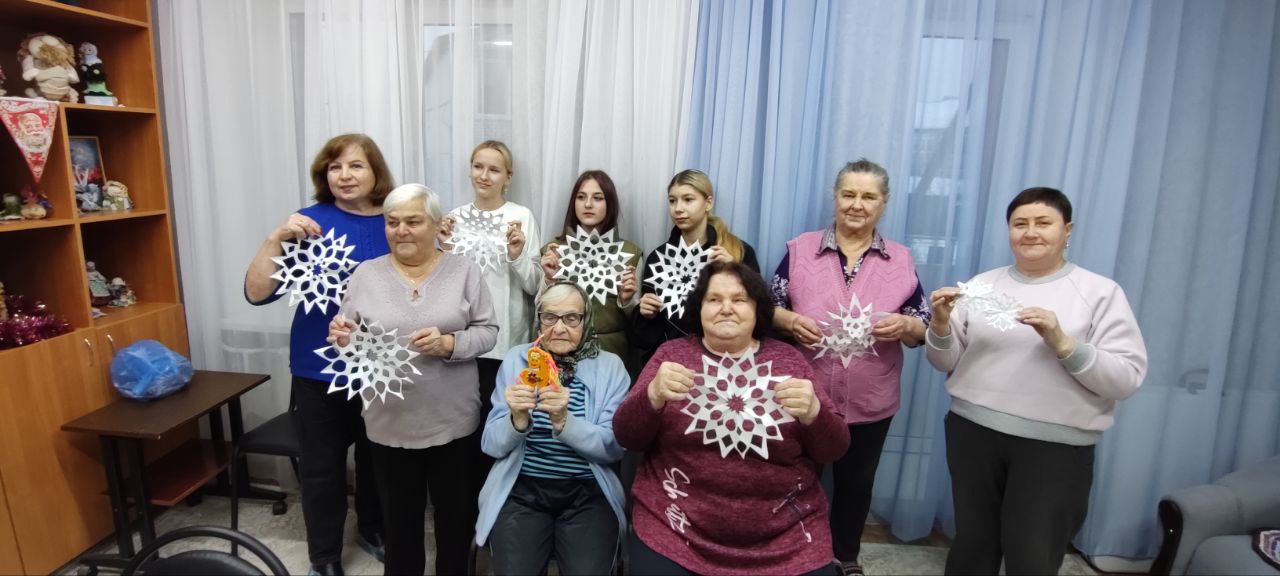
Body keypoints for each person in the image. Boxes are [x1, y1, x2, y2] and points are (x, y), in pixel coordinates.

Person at [925, 187, 1147, 575]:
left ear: (1067, 230)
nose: (1030, 232)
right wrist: (940, 324)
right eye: (1020, 224)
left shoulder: (1100, 293)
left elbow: (1126, 379)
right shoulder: (981, 286)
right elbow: (944, 361)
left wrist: (1063, 343)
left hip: (1055, 447)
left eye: (1043, 223)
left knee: (1033, 555)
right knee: (973, 545)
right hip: (973, 433)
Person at [614, 261, 850, 575]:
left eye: (739, 299)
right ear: (699, 309)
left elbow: (834, 449)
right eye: (714, 299)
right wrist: (652, 396)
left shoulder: (790, 360)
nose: (726, 308)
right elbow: (627, 436)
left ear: (758, 309)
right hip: (675, 527)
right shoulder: (670, 356)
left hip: (786, 535)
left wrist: (814, 414)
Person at [328, 183, 498, 576]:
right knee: (399, 526)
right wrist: (342, 339)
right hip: (390, 422)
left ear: (437, 225)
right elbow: (348, 338)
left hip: (452, 421)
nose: (401, 230)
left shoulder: (464, 270)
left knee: (455, 520)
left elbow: (488, 331)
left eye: (413, 221)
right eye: (392, 222)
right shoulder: (366, 274)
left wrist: (450, 343)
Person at [770, 159, 931, 576]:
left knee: (856, 485)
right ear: (835, 197)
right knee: (794, 479)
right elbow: (768, 307)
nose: (857, 204)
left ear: (884, 202)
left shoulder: (901, 259)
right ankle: (790, 552)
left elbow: (923, 326)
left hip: (871, 400)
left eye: (868, 196)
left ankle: (846, 557)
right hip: (805, 395)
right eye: (849, 194)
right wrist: (788, 320)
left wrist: (907, 326)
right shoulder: (800, 249)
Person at [244, 133, 391, 576]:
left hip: (380, 363)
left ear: (375, 172)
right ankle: (324, 556)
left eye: (355, 165)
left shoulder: (396, 219)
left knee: (378, 459)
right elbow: (256, 293)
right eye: (334, 167)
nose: (344, 175)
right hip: (318, 367)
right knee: (322, 467)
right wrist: (275, 238)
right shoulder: (307, 223)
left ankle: (371, 529)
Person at [475, 281, 630, 575]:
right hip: (522, 488)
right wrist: (517, 420)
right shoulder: (518, 360)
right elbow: (491, 445)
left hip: (588, 491)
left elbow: (614, 448)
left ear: (586, 320)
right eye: (549, 317)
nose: (559, 328)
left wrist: (564, 422)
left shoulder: (610, 367)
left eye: (571, 318)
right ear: (538, 320)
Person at [439, 140, 543, 420]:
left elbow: (535, 285)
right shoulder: (454, 218)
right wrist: (444, 248)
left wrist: (517, 256)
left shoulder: (521, 216)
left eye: (494, 170)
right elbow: (445, 285)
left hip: (508, 340)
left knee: (500, 416)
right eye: (478, 167)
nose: (484, 176)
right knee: (463, 419)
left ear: (508, 177)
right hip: (463, 338)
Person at [631, 169, 760, 366]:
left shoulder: (738, 251)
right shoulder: (658, 258)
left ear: (708, 203)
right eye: (672, 201)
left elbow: (758, 312)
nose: (678, 208)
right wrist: (646, 313)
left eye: (688, 200)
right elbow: (644, 337)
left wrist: (735, 272)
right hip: (673, 362)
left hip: (726, 360)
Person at [539, 170, 643, 373]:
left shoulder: (630, 253)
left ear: (609, 203)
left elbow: (638, 320)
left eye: (597, 198)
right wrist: (549, 280)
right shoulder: (552, 252)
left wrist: (627, 301)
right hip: (559, 351)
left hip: (612, 352)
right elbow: (538, 311)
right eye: (581, 197)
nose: (588, 204)